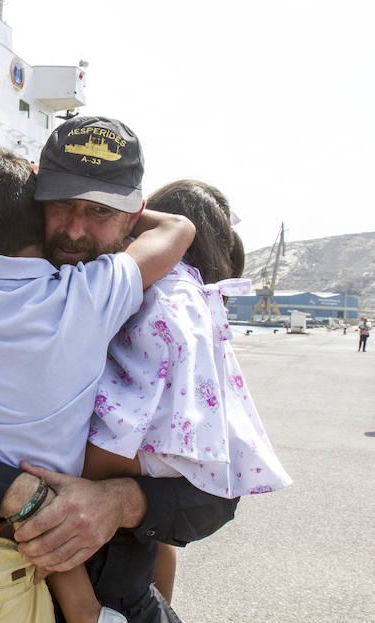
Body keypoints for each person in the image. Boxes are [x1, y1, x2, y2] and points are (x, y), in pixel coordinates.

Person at [0, 117, 241, 623]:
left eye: (100, 211)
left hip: (123, 600)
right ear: (35, 202)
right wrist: (16, 492)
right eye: (62, 206)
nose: (75, 230)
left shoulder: (179, 319)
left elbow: (219, 489)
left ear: (132, 216)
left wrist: (120, 503)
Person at [84, 180, 292, 604]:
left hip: (130, 447)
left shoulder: (152, 286)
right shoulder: (198, 294)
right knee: (156, 545)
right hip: (178, 461)